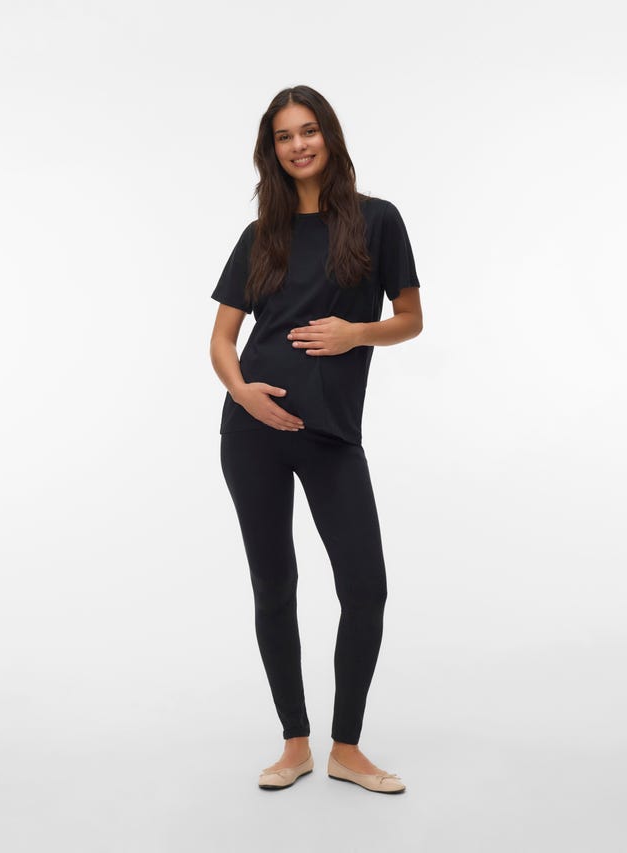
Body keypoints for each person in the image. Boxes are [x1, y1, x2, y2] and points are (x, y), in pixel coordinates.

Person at [209, 85, 423, 794]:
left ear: (328, 135)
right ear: (271, 150)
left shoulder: (377, 220)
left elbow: (410, 319)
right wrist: (243, 393)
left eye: (308, 131)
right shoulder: (261, 235)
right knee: (274, 586)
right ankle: (295, 743)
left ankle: (347, 748)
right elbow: (222, 339)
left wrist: (355, 332)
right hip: (252, 433)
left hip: (331, 433)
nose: (298, 145)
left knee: (365, 588)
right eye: (283, 136)